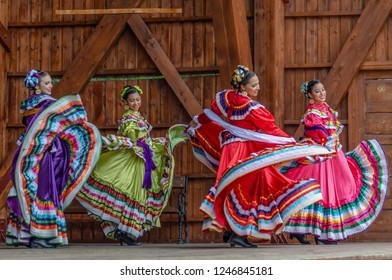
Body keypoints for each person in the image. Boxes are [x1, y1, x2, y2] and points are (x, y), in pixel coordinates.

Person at [186, 65, 332, 248]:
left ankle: (232, 230)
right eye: (254, 86)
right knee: (249, 187)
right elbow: (270, 129)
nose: (258, 88)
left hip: (230, 148)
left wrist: (197, 122)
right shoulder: (251, 107)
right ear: (243, 87)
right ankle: (237, 232)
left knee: (233, 184)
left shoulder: (229, 98)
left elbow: (210, 114)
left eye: (257, 85)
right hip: (242, 149)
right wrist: (290, 142)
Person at [76, 85, 186, 245]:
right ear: (126, 103)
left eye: (137, 100)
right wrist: (146, 142)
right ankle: (127, 232)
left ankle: (127, 231)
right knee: (135, 193)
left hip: (141, 159)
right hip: (134, 159)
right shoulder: (129, 117)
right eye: (132, 101)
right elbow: (134, 137)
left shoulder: (137, 116)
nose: (135, 103)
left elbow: (142, 139)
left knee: (138, 193)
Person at [282, 80, 389, 244]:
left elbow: (329, 131)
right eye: (317, 91)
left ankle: (323, 231)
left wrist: (331, 142)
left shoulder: (327, 110)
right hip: (322, 154)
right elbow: (315, 131)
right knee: (324, 191)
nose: (322, 93)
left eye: (323, 90)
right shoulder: (312, 112)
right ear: (310, 95)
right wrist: (326, 139)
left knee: (341, 187)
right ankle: (323, 233)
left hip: (333, 154)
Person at [6, 69, 101, 248]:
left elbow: (31, 131)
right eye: (47, 83)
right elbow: (59, 126)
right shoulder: (49, 104)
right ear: (37, 86)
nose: (51, 86)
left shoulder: (27, 105)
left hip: (29, 151)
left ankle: (26, 235)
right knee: (45, 189)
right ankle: (43, 235)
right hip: (46, 152)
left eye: (51, 82)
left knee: (27, 187)